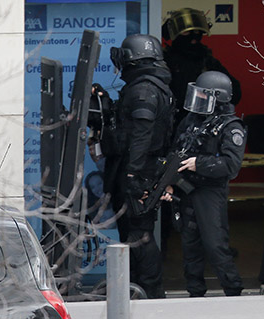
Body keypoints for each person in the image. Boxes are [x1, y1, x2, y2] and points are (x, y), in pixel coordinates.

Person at [103, 34, 174, 299]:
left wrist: (132, 175)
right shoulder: (152, 86)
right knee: (133, 234)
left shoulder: (143, 89)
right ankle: (135, 288)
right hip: (141, 169)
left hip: (139, 171)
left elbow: (142, 136)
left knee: (139, 234)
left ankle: (152, 292)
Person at [168, 70, 245, 297]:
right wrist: (169, 182)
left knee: (215, 244)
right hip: (185, 187)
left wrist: (198, 164)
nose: (198, 100)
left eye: (203, 96)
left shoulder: (232, 127)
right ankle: (195, 291)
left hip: (210, 191)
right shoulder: (190, 120)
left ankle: (233, 289)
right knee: (189, 244)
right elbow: (175, 152)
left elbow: (231, 166)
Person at [163, 7, 242, 128]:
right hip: (172, 124)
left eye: (197, 31)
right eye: (186, 32)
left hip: (202, 124)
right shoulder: (166, 62)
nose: (193, 37)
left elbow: (234, 91)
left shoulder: (207, 60)